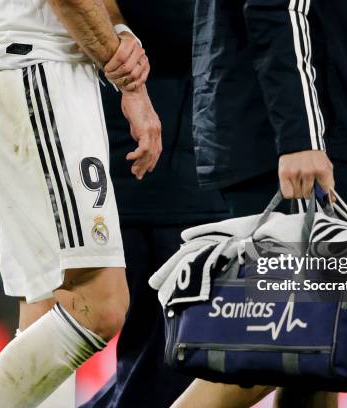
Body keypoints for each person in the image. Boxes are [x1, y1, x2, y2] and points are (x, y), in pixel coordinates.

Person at [0, 0, 161, 406]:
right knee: (98, 304)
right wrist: (126, 73)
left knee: (49, 306)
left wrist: (121, 33)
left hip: (22, 67)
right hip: (35, 70)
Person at [173, 0, 347, 407]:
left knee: (320, 353)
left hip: (288, 133)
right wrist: (301, 137)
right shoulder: (300, 138)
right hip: (290, 140)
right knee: (291, 336)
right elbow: (275, 6)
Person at [81, 1, 229, 407]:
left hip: (193, 166)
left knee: (172, 358)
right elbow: (176, 28)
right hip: (146, 168)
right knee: (164, 354)